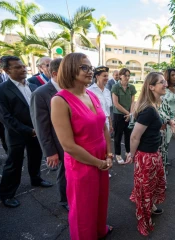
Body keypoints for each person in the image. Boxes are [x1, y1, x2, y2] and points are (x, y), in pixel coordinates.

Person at [51, 53, 113, 239]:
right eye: (84, 67)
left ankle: (99, 230)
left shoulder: (91, 94)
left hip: (101, 156)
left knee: (100, 200)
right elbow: (68, 145)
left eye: (90, 67)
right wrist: (98, 162)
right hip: (82, 161)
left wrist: (109, 154)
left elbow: (104, 126)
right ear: (70, 69)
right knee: (83, 208)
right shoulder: (60, 100)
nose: (89, 71)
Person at [0, 56, 52, 208]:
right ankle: (7, 195)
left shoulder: (32, 85)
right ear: (6, 70)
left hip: (35, 131)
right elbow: (4, 117)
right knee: (14, 164)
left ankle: (36, 178)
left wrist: (39, 128)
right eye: (17, 67)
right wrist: (29, 131)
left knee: (36, 157)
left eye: (23, 66)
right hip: (16, 134)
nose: (23, 69)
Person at [125, 72, 167, 236]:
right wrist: (131, 155)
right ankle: (144, 218)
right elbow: (135, 136)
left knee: (154, 184)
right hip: (146, 157)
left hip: (153, 153)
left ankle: (152, 207)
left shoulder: (154, 104)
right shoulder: (149, 109)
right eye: (161, 82)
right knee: (146, 190)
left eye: (164, 81)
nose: (165, 84)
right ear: (151, 87)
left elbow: (153, 126)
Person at [30, 58, 68, 210]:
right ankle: (65, 201)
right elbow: (41, 126)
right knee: (64, 174)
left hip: (74, 141)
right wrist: (50, 152)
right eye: (67, 71)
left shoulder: (70, 89)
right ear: (55, 73)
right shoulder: (40, 93)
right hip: (57, 143)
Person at [111, 68, 137, 164]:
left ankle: (128, 152)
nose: (127, 77)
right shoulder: (115, 87)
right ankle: (117, 154)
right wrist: (128, 113)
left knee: (128, 135)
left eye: (128, 75)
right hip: (119, 115)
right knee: (118, 135)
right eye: (125, 75)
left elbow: (133, 102)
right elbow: (116, 103)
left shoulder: (132, 87)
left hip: (129, 114)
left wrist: (131, 114)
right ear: (120, 76)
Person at [162, 68, 175, 165]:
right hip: (165, 118)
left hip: (173, 119)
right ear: (167, 76)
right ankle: (162, 163)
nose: (174, 77)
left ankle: (164, 160)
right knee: (163, 141)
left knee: (168, 141)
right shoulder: (163, 89)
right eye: (172, 75)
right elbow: (160, 104)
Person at [87, 66, 113, 133]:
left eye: (107, 76)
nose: (107, 78)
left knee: (106, 142)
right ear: (97, 76)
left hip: (106, 123)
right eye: (104, 76)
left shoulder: (107, 91)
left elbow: (107, 110)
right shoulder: (89, 91)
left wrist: (110, 124)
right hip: (95, 123)